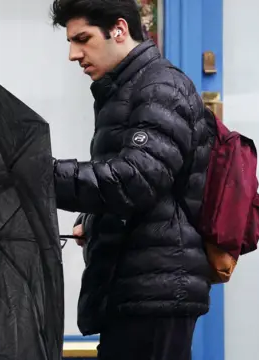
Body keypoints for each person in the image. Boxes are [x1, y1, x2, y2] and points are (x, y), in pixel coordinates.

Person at [50, 0, 215, 359]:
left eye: (83, 39)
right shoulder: (126, 89)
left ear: (119, 29)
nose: (73, 54)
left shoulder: (160, 87)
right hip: (136, 285)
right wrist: (92, 221)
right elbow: (147, 187)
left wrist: (41, 173)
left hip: (156, 289)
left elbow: (136, 180)